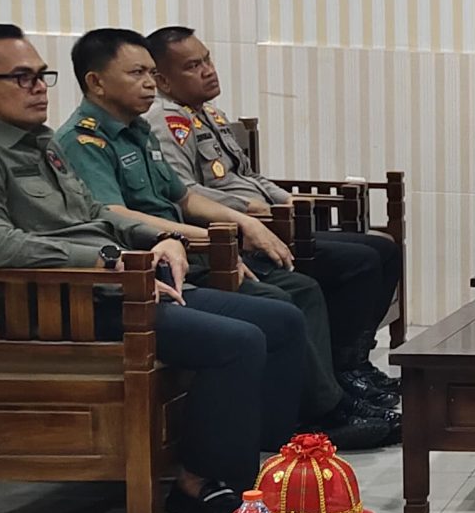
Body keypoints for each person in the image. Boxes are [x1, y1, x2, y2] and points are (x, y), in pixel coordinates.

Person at [0, 24, 309, 513]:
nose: (40, 88)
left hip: (118, 287)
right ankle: (199, 482)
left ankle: (269, 462)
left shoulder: (41, 143)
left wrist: (160, 237)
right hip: (66, 304)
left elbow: (95, 212)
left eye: (42, 75)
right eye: (22, 78)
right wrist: (106, 261)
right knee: (238, 340)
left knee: (281, 320)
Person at [52, 29, 396, 449]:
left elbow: (184, 196)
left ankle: (329, 399)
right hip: (152, 265)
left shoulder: (137, 130)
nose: (149, 83)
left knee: (301, 286)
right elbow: (113, 213)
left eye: (150, 72)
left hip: (191, 250)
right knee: (283, 298)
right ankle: (314, 415)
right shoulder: (83, 141)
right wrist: (208, 236)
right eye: (137, 73)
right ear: (96, 82)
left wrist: (242, 223)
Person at [143, 27, 406, 405]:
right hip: (239, 234)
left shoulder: (207, 113)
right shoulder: (165, 121)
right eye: (193, 66)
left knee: (384, 249)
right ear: (163, 80)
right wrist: (254, 212)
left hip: (271, 222)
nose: (208, 70)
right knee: (359, 261)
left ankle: (353, 363)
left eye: (207, 59)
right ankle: (339, 374)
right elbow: (188, 193)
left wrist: (290, 201)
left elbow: (248, 176)